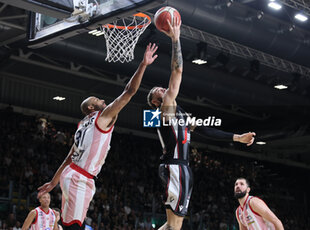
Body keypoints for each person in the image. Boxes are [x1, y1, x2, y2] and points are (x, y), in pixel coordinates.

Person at [146, 17, 256, 230]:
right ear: (156, 102)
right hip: (176, 166)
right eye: (158, 91)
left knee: (171, 226)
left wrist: (237, 137)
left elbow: (205, 129)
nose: (163, 89)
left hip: (177, 167)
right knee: (175, 226)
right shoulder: (165, 109)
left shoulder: (179, 113)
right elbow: (177, 72)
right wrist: (176, 40)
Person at [37, 43, 158, 230]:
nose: (102, 100)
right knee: (74, 226)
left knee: (71, 224)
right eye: (97, 100)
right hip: (79, 177)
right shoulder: (101, 118)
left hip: (74, 174)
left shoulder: (81, 125)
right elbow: (129, 92)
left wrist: (54, 181)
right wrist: (143, 65)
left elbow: (70, 156)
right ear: (91, 108)